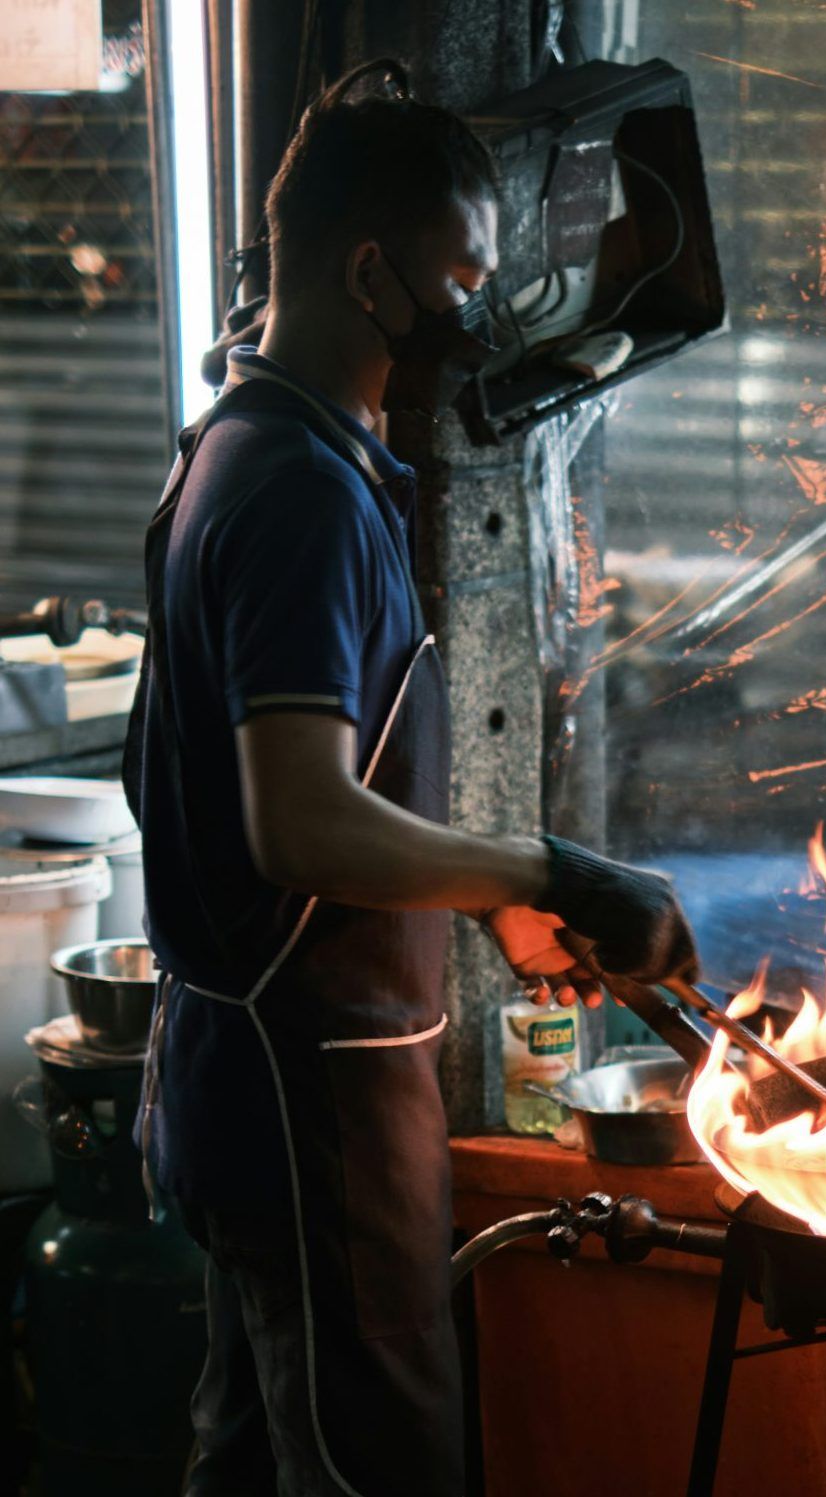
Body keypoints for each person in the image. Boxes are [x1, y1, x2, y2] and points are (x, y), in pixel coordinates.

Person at [122, 61, 698, 1497]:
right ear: (369, 272)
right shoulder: (296, 494)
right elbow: (302, 820)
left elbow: (333, 784)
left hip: (269, 1086)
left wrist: (488, 902)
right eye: (460, 277)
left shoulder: (270, 449)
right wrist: (547, 870)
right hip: (309, 1103)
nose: (478, 312)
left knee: (252, 1466)